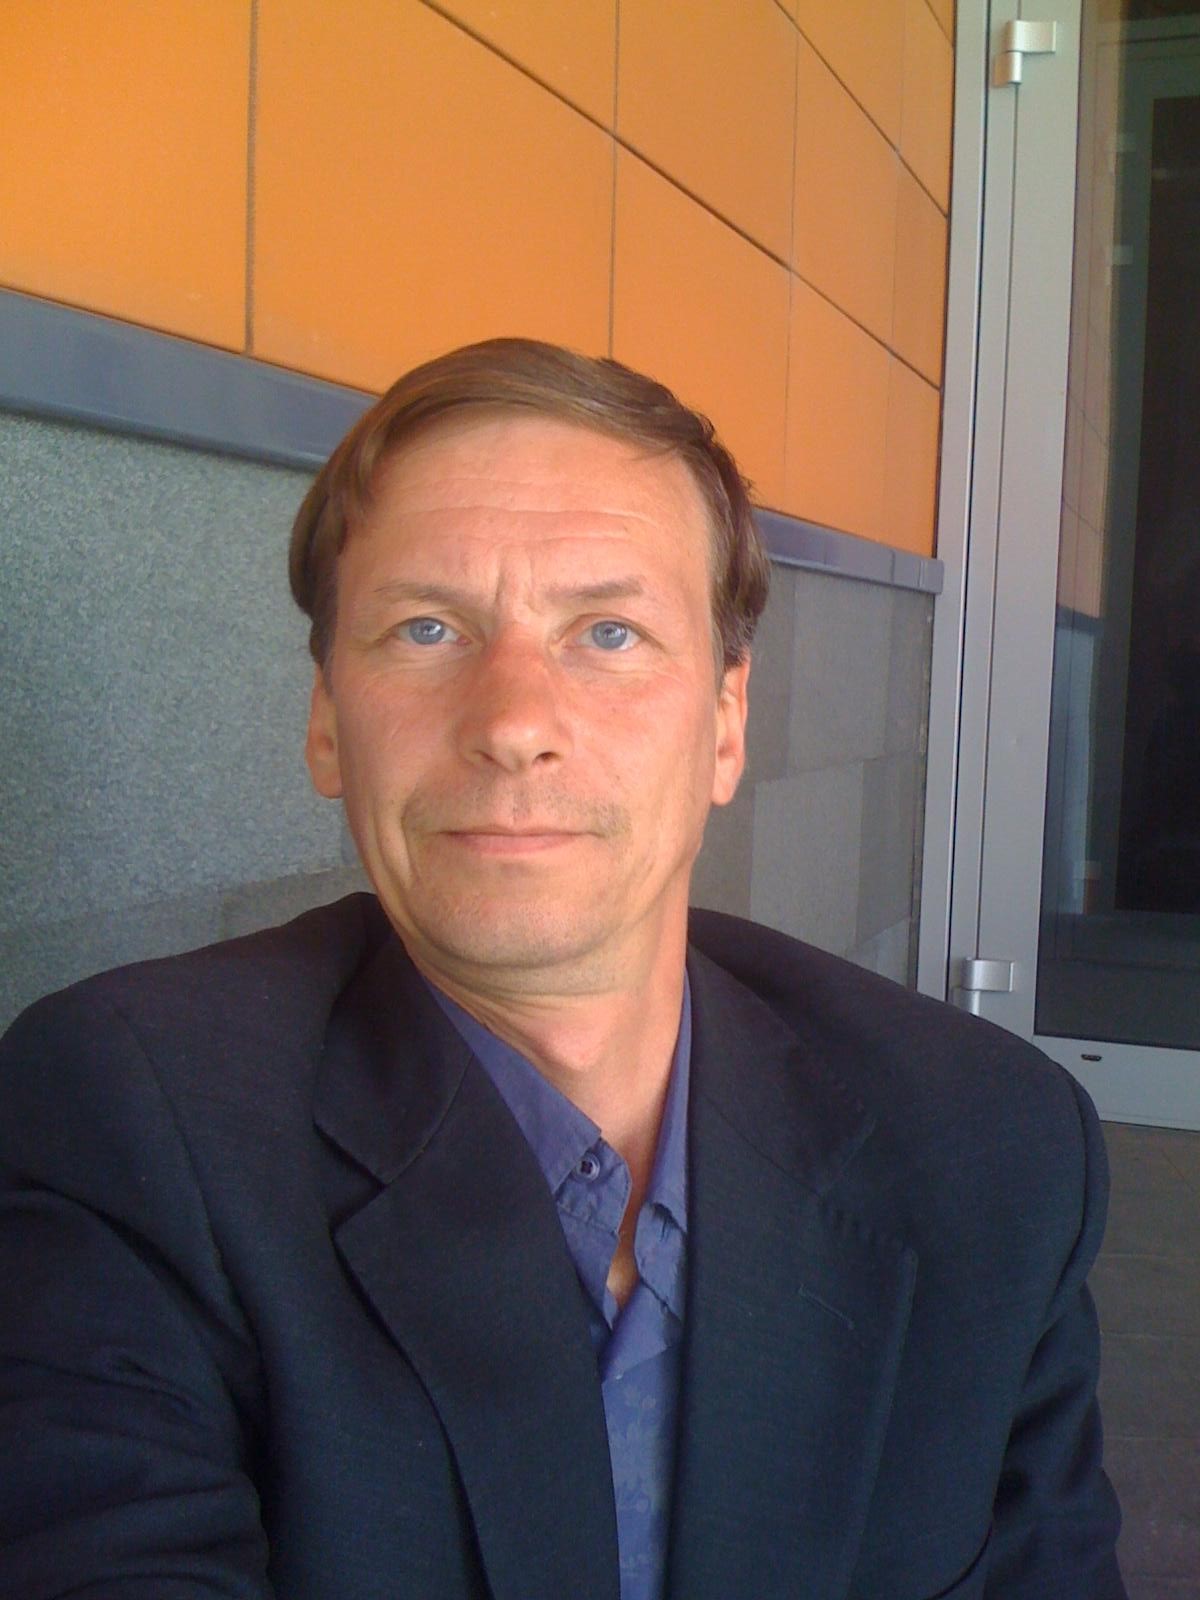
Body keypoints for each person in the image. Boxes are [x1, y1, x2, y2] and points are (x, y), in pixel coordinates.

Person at [0, 339, 1126, 1599]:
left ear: (726, 723)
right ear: (326, 721)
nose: (513, 721)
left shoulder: (988, 1144)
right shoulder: (130, 1125)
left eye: (608, 632)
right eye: (427, 627)